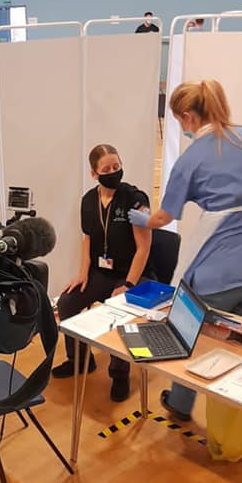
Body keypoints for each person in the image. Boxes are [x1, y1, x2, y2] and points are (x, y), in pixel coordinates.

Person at [129, 80, 242, 421]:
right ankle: (237, 411)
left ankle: (180, 403)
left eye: (179, 121)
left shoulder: (191, 159)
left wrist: (141, 219)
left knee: (189, 334)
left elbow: (165, 217)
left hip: (219, 271)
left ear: (188, 116)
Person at [53, 144, 152, 402]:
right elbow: (88, 240)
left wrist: (129, 283)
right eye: (106, 169)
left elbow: (144, 247)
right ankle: (80, 360)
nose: (113, 172)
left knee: (119, 311)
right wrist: (82, 273)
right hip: (100, 271)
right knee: (67, 302)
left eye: (117, 167)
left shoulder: (135, 199)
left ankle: (119, 375)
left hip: (128, 273)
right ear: (94, 174)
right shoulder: (88, 200)